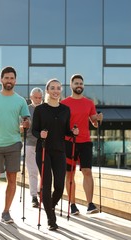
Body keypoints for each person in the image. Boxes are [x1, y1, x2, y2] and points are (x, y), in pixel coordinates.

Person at [0, 66, 30, 223]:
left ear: (15, 81)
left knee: (11, 178)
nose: (9, 81)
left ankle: (6, 211)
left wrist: (26, 123)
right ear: (1, 80)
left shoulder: (21, 101)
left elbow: (26, 121)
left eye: (12, 78)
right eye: (6, 78)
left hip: (14, 143)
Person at [32, 79, 79, 231]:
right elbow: (34, 130)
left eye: (58, 88)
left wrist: (73, 132)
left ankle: (50, 206)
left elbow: (66, 130)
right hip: (43, 150)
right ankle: (50, 219)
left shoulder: (65, 110)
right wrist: (41, 134)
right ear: (47, 90)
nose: (55, 90)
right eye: (52, 88)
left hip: (59, 151)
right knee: (46, 184)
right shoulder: (40, 109)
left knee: (59, 185)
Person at [61, 74, 103, 215]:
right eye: (76, 83)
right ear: (71, 85)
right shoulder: (64, 103)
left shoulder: (89, 103)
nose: (79, 85)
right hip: (69, 142)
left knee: (87, 171)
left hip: (85, 141)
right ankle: (72, 205)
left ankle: (90, 204)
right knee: (70, 174)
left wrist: (97, 118)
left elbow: (94, 122)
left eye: (81, 83)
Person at [25, 87, 43, 208]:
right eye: (35, 97)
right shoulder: (26, 109)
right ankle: (34, 196)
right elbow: (22, 127)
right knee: (32, 171)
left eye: (39, 98)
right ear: (31, 97)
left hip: (44, 144)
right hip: (30, 143)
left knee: (44, 172)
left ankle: (42, 193)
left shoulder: (45, 109)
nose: (37, 99)